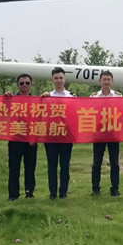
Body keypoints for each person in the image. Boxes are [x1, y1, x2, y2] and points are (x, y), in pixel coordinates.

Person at [41, 67, 74, 199]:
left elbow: (75, 116)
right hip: (51, 136)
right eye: (56, 78)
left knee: (64, 166)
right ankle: (53, 193)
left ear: (64, 79)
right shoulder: (47, 96)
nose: (59, 80)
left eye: (61, 78)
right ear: (52, 80)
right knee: (52, 166)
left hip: (66, 136)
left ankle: (63, 192)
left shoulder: (71, 97)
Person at [5, 74, 38, 201]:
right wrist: (4, 99)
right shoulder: (11, 100)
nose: (24, 86)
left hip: (31, 140)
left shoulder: (36, 101)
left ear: (31, 85)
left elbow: (40, 120)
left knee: (30, 168)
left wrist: (34, 137)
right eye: (22, 83)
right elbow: (1, 113)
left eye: (27, 83)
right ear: (17, 85)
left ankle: (29, 192)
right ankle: (13, 194)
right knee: (14, 168)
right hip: (15, 138)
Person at [90, 70, 122, 197]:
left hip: (113, 133)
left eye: (109, 79)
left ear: (112, 81)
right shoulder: (93, 97)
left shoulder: (118, 96)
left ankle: (115, 188)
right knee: (96, 162)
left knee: (114, 162)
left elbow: (122, 113)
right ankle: (95, 188)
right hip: (99, 133)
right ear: (100, 81)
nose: (106, 82)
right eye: (104, 79)